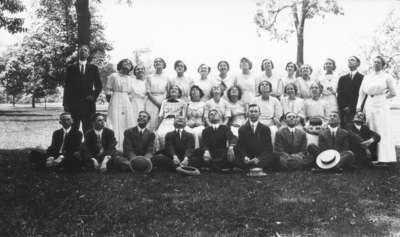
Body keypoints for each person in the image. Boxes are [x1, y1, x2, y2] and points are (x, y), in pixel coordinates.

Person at [356, 56, 397, 163]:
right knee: (369, 126)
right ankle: (369, 155)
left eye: (379, 62)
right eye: (374, 62)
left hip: (381, 105)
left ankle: (383, 157)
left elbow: (393, 92)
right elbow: (361, 92)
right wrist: (358, 106)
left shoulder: (387, 77)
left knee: (381, 128)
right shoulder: (367, 77)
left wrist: (383, 98)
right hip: (369, 104)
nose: (376, 64)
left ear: (383, 65)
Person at [63, 45, 102, 135]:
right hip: (74, 104)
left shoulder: (93, 68)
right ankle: (73, 147)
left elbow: (99, 85)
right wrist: (66, 104)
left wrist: (93, 96)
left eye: (85, 50)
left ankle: (88, 147)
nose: (83, 51)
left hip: (88, 104)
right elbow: (67, 87)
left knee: (88, 127)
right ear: (78, 53)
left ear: (88, 54)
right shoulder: (71, 68)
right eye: (81, 50)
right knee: (73, 127)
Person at [233, 104, 280, 170]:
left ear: (259, 114)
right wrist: (244, 157)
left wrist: (259, 159)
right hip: (248, 159)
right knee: (233, 156)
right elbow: (240, 147)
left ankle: (248, 168)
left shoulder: (265, 129)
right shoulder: (242, 129)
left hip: (260, 158)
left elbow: (268, 148)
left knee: (276, 156)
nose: (253, 114)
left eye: (255, 111)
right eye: (251, 111)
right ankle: (257, 167)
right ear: (247, 114)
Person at [104, 59, 135, 150]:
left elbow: (129, 92)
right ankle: (114, 146)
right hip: (115, 99)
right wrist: (112, 102)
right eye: (125, 62)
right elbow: (107, 89)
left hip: (126, 101)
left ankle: (126, 146)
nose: (128, 64)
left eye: (130, 63)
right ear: (120, 65)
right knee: (115, 121)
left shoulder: (130, 78)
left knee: (126, 120)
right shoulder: (114, 76)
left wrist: (127, 101)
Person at [154, 85, 187, 152]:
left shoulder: (183, 102)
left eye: (176, 89)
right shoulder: (164, 102)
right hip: (165, 121)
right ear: (169, 92)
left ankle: (173, 153)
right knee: (159, 134)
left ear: (179, 93)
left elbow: (184, 116)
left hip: (176, 121)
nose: (173, 90)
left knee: (172, 135)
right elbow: (161, 115)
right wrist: (156, 128)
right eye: (172, 89)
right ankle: (162, 153)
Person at [337, 56, 364, 127]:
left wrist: (351, 107)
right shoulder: (342, 79)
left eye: (352, 60)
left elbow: (361, 95)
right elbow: (340, 95)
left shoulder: (363, 78)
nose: (349, 61)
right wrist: (344, 107)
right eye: (348, 60)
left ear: (357, 63)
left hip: (355, 109)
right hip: (344, 111)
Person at [145, 58, 171, 131]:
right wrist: (158, 104)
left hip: (162, 100)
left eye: (160, 61)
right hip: (151, 100)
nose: (158, 62)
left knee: (160, 121)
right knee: (151, 120)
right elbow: (147, 92)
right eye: (156, 62)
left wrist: (163, 104)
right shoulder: (149, 77)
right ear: (154, 65)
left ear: (163, 65)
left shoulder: (167, 78)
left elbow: (168, 92)